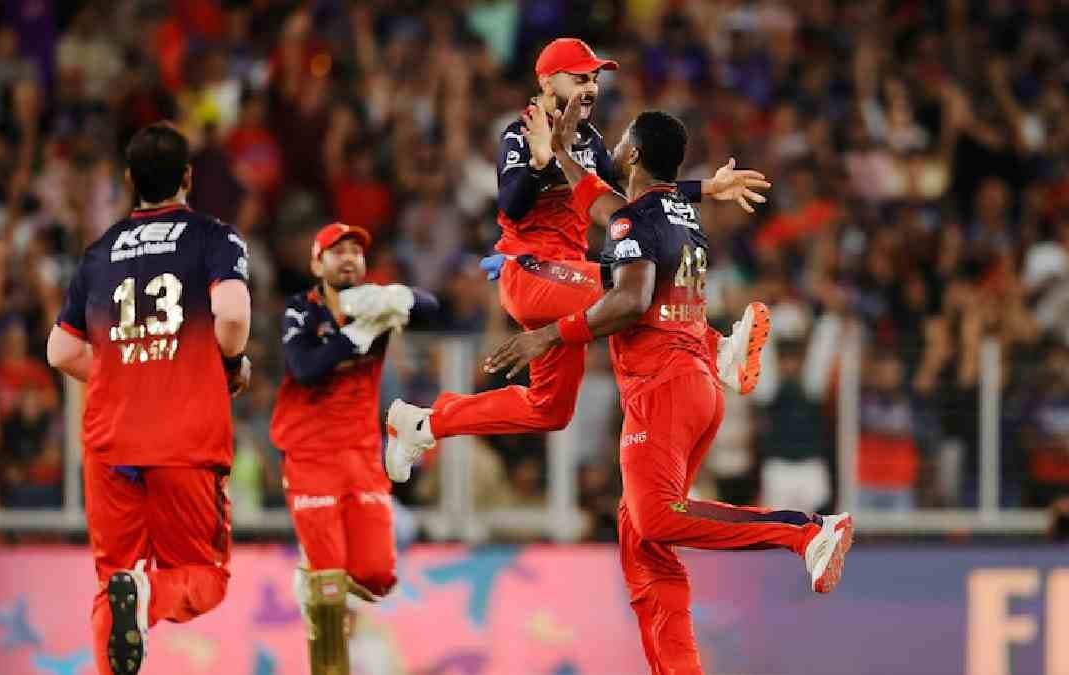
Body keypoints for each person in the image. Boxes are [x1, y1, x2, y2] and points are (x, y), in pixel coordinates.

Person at [485, 97, 854, 675]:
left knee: (655, 518)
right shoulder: (675, 213)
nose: (613, 148)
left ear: (632, 153)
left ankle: (804, 530)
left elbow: (630, 300)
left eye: (621, 142)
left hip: (662, 389)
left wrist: (548, 336)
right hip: (693, 387)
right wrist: (560, 151)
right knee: (644, 548)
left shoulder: (637, 219)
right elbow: (601, 203)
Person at [385, 38, 772, 480]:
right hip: (533, 274)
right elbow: (510, 205)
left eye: (594, 79)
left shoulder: (588, 139)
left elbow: (628, 200)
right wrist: (540, 163)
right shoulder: (521, 132)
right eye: (579, 78)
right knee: (632, 287)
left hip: (567, 280)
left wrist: (707, 189)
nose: (590, 88)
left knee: (549, 410)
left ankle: (422, 425)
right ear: (548, 83)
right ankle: (718, 349)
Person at [46, 123, 253, 675]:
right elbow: (233, 316)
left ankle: (131, 601)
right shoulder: (213, 237)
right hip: (183, 440)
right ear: (188, 177)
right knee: (204, 578)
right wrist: (229, 364)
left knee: (113, 581)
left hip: (110, 442)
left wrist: (123, 372)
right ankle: (147, 596)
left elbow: (60, 351)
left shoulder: (98, 253)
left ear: (128, 180)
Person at [269, 222, 437, 673]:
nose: (348, 258)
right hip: (310, 454)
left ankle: (314, 582)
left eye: (355, 252)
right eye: (336, 250)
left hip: (361, 454)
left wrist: (401, 297)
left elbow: (433, 307)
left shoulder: (375, 304)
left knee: (378, 577)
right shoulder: (301, 309)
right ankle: (318, 599)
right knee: (328, 585)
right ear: (316, 264)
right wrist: (354, 337)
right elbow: (304, 368)